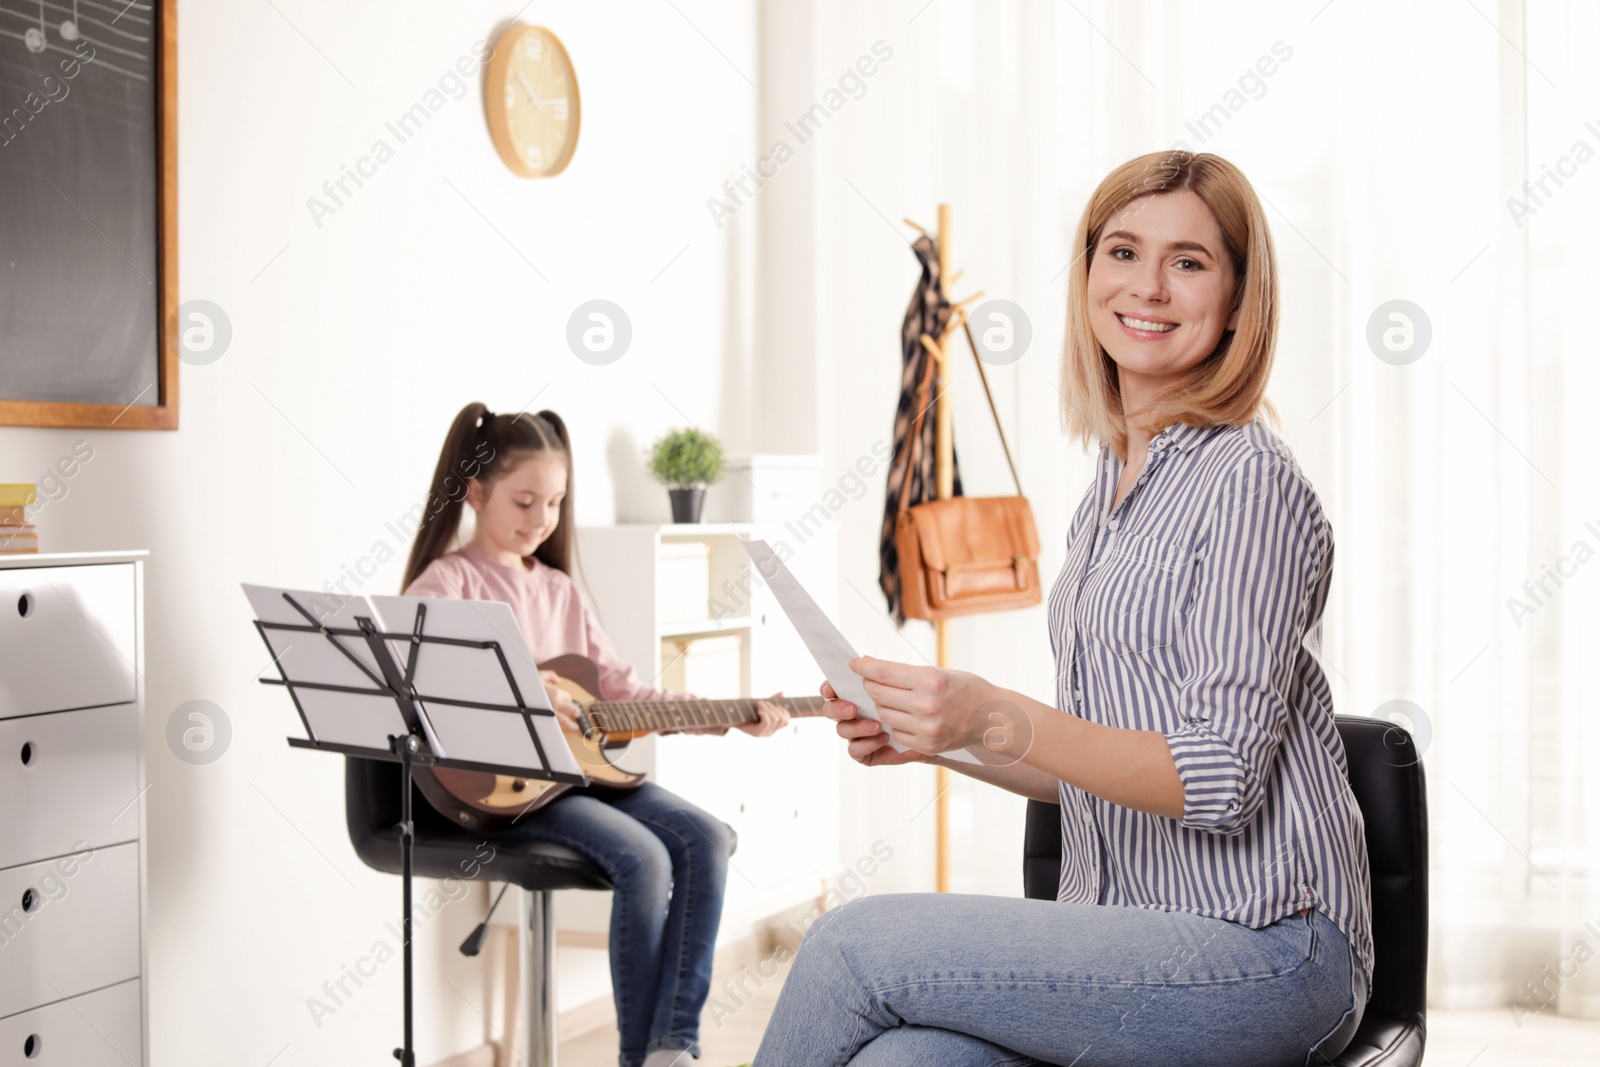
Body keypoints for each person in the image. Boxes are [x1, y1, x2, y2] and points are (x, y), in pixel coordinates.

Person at [752, 151, 1372, 1067]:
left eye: (1190, 262)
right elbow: (1093, 762)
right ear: (1088, 274)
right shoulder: (1108, 493)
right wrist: (942, 733)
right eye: (1122, 251)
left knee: (848, 948)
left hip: (1267, 949)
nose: (1148, 286)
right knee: (907, 1062)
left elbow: (1218, 777)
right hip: (1127, 931)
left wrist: (992, 710)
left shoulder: (1250, 483)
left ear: (1239, 298)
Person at [402, 402, 791, 1067]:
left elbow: (625, 694)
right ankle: (639, 1056)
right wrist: (526, 692)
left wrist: (730, 710)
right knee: (643, 856)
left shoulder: (559, 590)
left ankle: (673, 1043)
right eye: (524, 501)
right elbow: (427, 700)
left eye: (553, 503)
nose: (540, 519)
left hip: (583, 776)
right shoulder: (446, 584)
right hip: (510, 791)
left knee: (709, 837)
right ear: (474, 491)